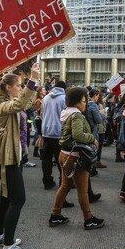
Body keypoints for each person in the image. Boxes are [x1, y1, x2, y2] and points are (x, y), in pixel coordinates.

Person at [0, 64, 39, 249]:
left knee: (7, 197)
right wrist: (33, 80)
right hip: (7, 156)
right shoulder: (1, 103)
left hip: (12, 155)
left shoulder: (9, 99)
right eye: (19, 85)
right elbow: (19, 105)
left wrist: (31, 85)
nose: (20, 87)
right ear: (8, 87)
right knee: (18, 199)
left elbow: (25, 103)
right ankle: (8, 248)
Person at [48, 87, 105, 230]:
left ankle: (55, 215)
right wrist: (92, 138)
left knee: (65, 186)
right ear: (77, 103)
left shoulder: (66, 113)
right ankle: (89, 219)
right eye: (84, 101)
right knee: (82, 190)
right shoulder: (77, 115)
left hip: (65, 154)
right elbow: (78, 135)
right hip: (75, 157)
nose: (85, 104)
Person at [41, 81, 66, 189]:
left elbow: (42, 114)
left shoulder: (45, 98)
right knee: (61, 161)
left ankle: (47, 181)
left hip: (46, 132)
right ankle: (63, 184)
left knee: (46, 159)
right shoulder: (64, 99)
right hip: (59, 133)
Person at [86, 88, 106, 169]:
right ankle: (92, 169)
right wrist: (103, 114)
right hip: (93, 129)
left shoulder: (86, 104)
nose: (98, 98)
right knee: (93, 150)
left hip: (88, 128)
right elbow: (98, 120)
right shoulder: (93, 105)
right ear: (95, 96)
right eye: (97, 96)